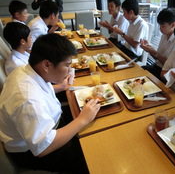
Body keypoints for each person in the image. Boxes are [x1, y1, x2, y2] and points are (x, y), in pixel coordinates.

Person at [0, 33, 101, 173]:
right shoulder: (27, 98)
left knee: (93, 117)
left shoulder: (26, 70)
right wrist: (82, 120)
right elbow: (43, 147)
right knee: (92, 152)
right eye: (67, 66)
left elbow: (40, 93)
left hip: (48, 123)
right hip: (32, 151)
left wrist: (61, 87)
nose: (69, 70)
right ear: (46, 64)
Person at [140, 8, 175, 80]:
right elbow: (157, 57)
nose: (160, 29)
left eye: (163, 26)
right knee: (136, 71)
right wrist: (149, 49)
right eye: (159, 25)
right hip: (155, 67)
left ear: (173, 25)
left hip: (164, 73)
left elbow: (170, 66)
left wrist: (154, 52)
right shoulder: (164, 35)